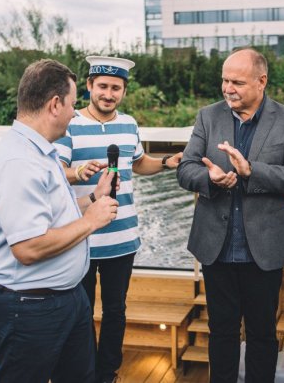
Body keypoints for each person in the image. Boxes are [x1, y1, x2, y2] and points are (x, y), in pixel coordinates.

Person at [0, 59, 119, 383]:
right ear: (55, 104)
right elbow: (28, 247)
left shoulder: (42, 153)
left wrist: (93, 199)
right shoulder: (18, 162)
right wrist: (91, 222)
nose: (74, 112)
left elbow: (54, 217)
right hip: (27, 310)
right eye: (72, 104)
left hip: (64, 301)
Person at [177, 47, 284, 383]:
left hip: (263, 251)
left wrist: (251, 170)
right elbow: (186, 170)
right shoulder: (208, 116)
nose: (227, 88)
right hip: (216, 248)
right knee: (221, 333)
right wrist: (209, 178)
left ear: (261, 81)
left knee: (262, 335)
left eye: (236, 81)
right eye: (224, 80)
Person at [54, 55, 182, 383]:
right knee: (79, 313)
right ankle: (79, 374)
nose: (108, 94)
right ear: (89, 87)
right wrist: (78, 171)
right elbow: (55, 174)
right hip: (80, 237)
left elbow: (139, 164)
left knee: (115, 312)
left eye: (116, 88)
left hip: (123, 238)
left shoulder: (129, 124)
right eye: (102, 87)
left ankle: (106, 373)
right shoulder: (70, 125)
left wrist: (169, 162)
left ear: (123, 90)